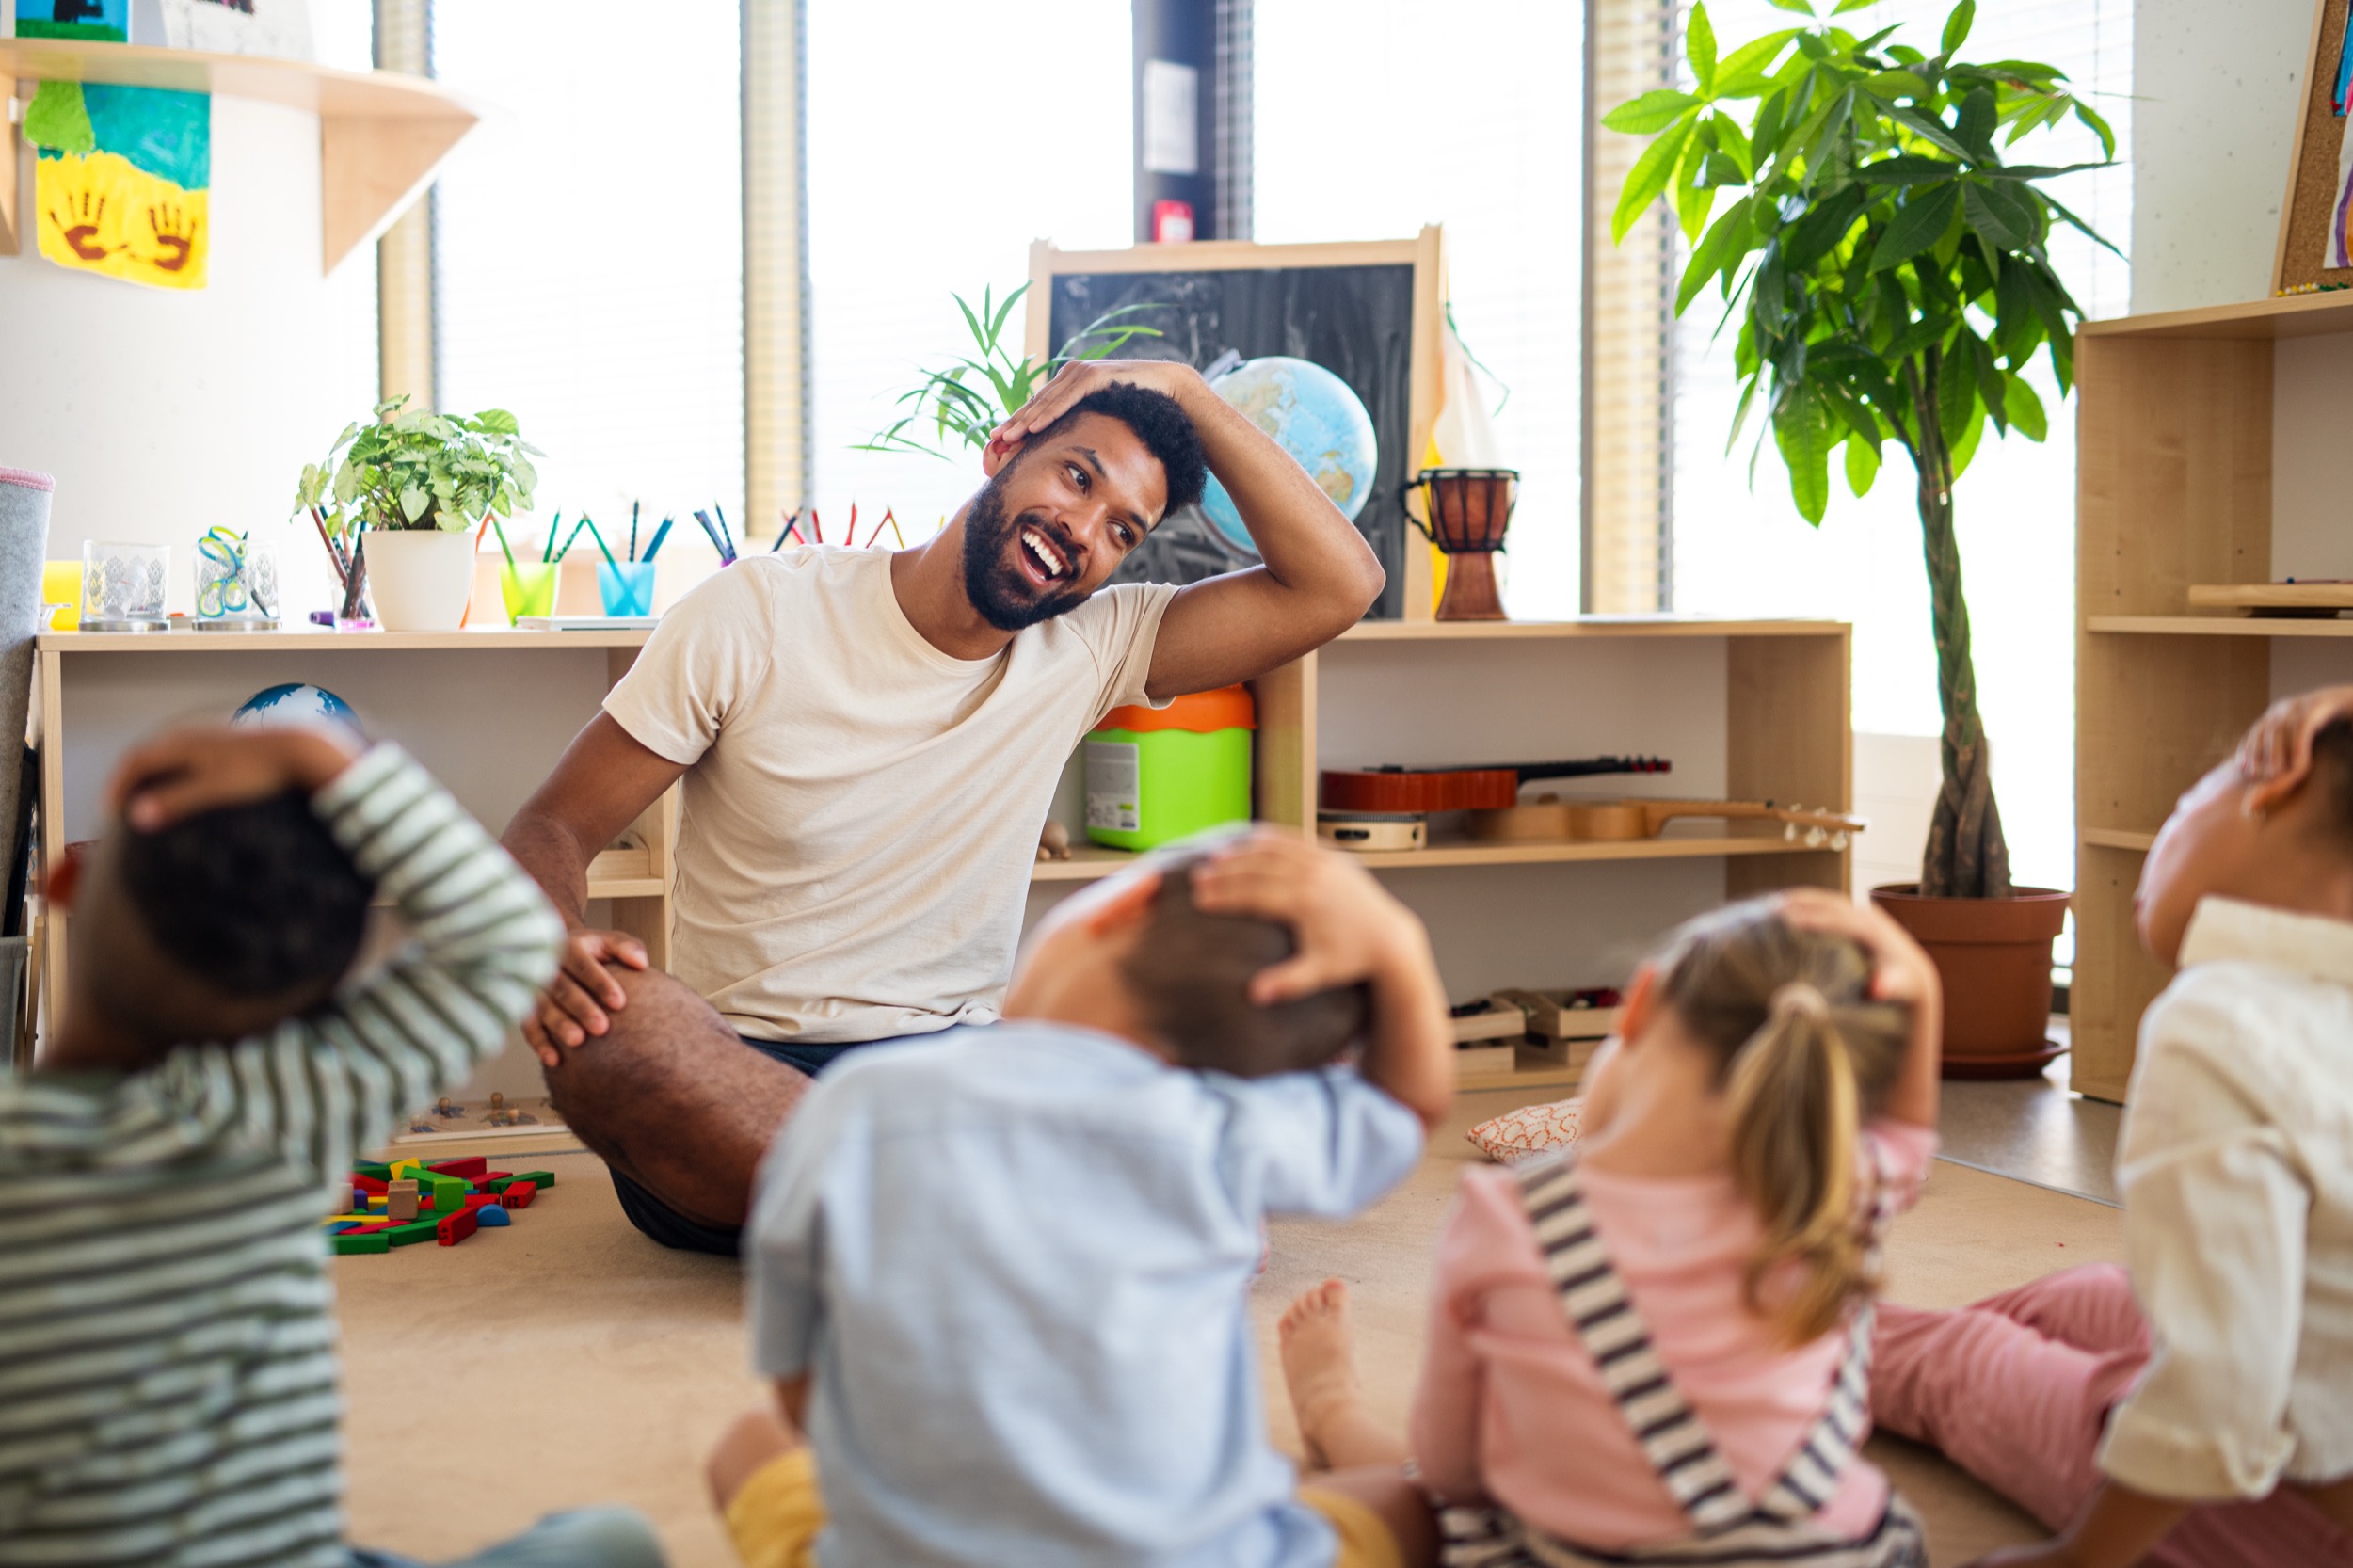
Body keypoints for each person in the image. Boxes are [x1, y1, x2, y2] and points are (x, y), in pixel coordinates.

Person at [501, 361, 1390, 1254]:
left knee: (1207, 1035)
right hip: (743, 1070)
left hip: (953, 1076)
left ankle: (918, 1206)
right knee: (610, 1036)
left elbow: (1337, 586)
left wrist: (1188, 392)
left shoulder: (1093, 648)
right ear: (1007, 449)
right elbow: (553, 826)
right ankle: (1008, 1208)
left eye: (1124, 529)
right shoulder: (758, 612)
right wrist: (552, 950)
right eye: (1077, 477)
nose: (1083, 528)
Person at [0, 726, 665, 1568]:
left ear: (69, 882)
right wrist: (317, 756)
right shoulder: (284, 1110)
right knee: (610, 1540)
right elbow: (510, 941)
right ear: (318, 993)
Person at [704, 829, 1451, 1568]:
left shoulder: (849, 1108)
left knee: (748, 1445)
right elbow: (1410, 1112)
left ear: (1123, 907)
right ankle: (1333, 1413)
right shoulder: (1223, 1134)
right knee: (1412, 1500)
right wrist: (1400, 947)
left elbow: (801, 1397)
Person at [1278, 890, 1942, 1568]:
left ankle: (1334, 1410)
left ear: (1641, 1003)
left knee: (1415, 1499)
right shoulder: (1841, 1192)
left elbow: (1453, 1472)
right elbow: (1912, 1133)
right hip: (1837, 1558)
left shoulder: (1508, 1218)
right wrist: (1921, 986)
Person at [1867, 693, 2353, 1568]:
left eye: (2176, 813)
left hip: (2284, 1514)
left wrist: (2079, 1561)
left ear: (2269, 791)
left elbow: (2222, 1392)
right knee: (2089, 1293)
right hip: (2315, 1398)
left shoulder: (2226, 1027)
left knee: (1958, 1360)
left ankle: (1790, 1342)